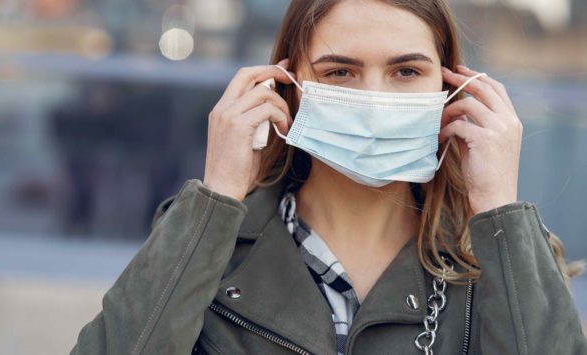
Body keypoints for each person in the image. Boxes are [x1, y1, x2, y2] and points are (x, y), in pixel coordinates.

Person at [70, 0, 587, 354]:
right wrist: (217, 198)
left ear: (451, 90)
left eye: (406, 72)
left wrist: (496, 207)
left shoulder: (502, 253)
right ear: (288, 86)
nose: (375, 99)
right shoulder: (211, 241)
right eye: (340, 71)